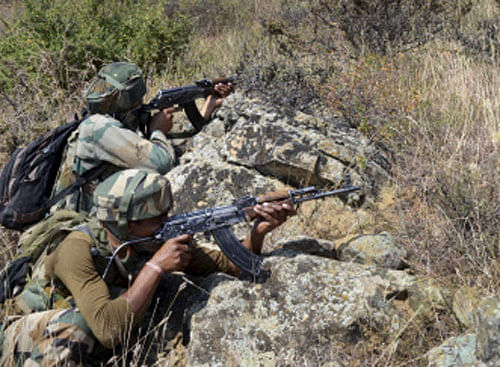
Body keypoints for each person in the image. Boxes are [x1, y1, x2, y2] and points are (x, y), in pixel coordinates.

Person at [0, 169, 295, 366]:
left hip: (93, 327)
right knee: (76, 330)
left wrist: (258, 232)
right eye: (155, 218)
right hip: (23, 337)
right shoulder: (77, 250)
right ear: (123, 224)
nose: (165, 222)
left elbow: (231, 266)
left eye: (165, 213)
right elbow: (107, 330)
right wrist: (155, 268)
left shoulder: (150, 238)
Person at [51, 61, 233, 213]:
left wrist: (207, 108)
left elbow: (170, 145)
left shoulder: (110, 122)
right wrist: (157, 131)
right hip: (83, 223)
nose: (140, 101)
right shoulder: (98, 127)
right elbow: (162, 163)